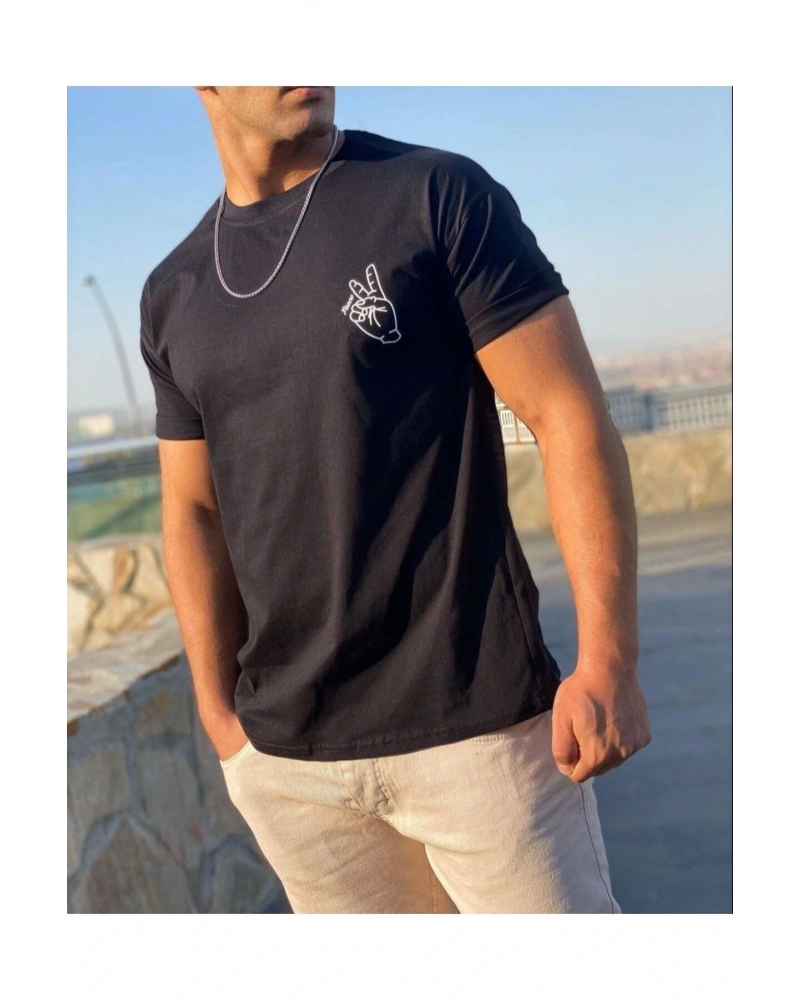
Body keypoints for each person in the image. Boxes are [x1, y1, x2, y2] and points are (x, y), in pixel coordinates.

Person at [139, 86, 651, 914]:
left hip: (482, 736)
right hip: (292, 768)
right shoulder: (174, 291)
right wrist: (219, 718)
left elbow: (566, 413)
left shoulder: (433, 194)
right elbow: (193, 511)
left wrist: (609, 661)